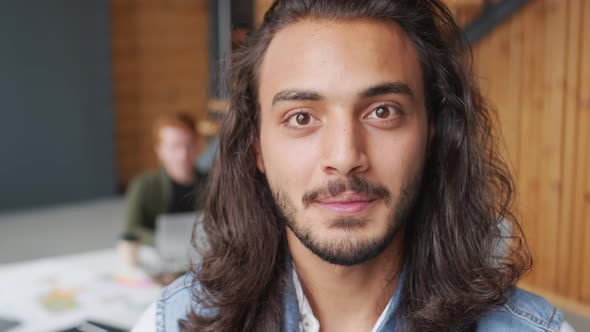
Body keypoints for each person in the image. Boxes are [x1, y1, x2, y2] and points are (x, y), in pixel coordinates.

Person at [134, 1, 575, 331]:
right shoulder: (166, 323)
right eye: (302, 117)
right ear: (256, 149)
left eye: (382, 112)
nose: (345, 156)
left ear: (433, 134)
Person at [124, 112, 207, 246]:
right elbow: (132, 230)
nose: (183, 155)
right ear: (160, 150)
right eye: (174, 147)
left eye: (189, 145)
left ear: (197, 145)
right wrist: (168, 241)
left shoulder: (213, 182)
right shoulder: (143, 186)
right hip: (160, 256)